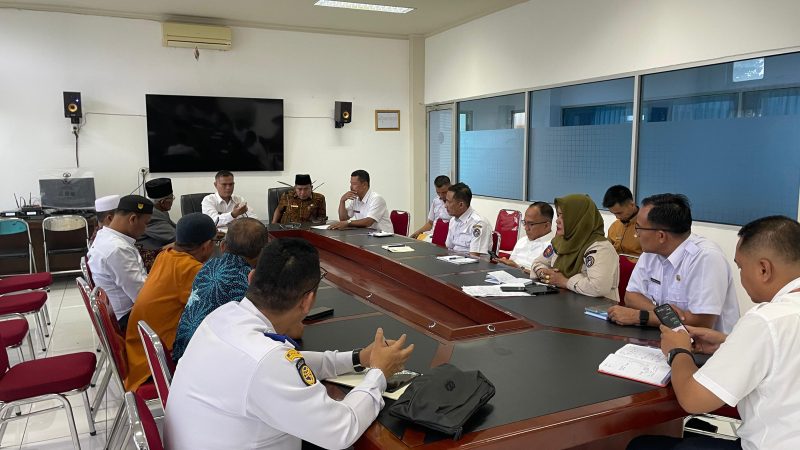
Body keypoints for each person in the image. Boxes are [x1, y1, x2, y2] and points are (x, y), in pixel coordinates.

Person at [164, 238, 415, 449]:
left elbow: (288, 363)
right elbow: (342, 429)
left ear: (251, 279)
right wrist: (379, 373)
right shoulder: (266, 360)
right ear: (307, 301)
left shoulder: (224, 315)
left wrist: (358, 358)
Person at [628, 216, 800, 450]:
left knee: (642, 446)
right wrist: (727, 343)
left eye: (740, 267)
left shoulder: (765, 320)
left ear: (763, 269)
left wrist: (678, 351)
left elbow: (693, 400)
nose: (740, 276)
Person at [607, 194, 740, 333]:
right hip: (667, 336)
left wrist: (641, 316)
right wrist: (664, 313)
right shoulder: (650, 252)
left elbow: (701, 322)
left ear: (661, 236)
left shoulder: (706, 257)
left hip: (708, 349)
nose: (636, 234)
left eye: (639, 228)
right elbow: (631, 296)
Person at [124, 213, 217, 392]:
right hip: (156, 362)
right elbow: (215, 310)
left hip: (139, 352)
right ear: (207, 245)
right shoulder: (191, 269)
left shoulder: (165, 255)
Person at [172, 217, 268, 363]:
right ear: (262, 253)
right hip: (204, 364)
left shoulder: (208, 267)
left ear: (223, 246)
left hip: (182, 353)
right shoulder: (248, 282)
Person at [531, 194, 620, 301]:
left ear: (579, 219)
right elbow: (538, 262)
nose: (557, 220)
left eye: (563, 216)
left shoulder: (600, 248)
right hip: (563, 302)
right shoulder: (561, 241)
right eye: (558, 215)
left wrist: (564, 281)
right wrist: (543, 273)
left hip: (595, 309)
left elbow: (598, 287)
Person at [87, 195, 152, 331]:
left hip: (123, 312)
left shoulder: (105, 236)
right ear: (133, 219)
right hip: (128, 319)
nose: (145, 229)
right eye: (146, 223)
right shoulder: (117, 249)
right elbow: (142, 296)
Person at [494, 202, 553, 272]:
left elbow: (547, 277)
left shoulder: (553, 246)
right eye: (525, 223)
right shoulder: (522, 241)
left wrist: (518, 268)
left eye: (531, 224)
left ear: (546, 226)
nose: (526, 228)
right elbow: (511, 263)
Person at [443, 182, 492, 256]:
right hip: (454, 261)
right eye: (445, 201)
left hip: (473, 265)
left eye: (449, 202)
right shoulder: (453, 220)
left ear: (461, 205)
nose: (445, 206)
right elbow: (449, 247)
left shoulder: (478, 223)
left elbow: (475, 257)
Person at [602, 185, 642, 260]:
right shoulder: (615, 226)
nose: (617, 217)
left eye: (619, 213)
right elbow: (607, 249)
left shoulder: (647, 227)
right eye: (613, 213)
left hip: (637, 269)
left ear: (632, 205)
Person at [137, 177, 176, 250]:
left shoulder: (159, 209)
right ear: (163, 202)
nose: (173, 201)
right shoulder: (150, 216)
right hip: (150, 254)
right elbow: (175, 237)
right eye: (172, 198)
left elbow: (174, 227)